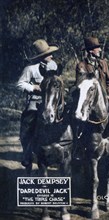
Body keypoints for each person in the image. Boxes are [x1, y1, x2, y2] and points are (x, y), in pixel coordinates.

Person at [17, 39, 59, 167]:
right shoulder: (30, 69)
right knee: (28, 126)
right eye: (48, 54)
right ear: (42, 56)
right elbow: (19, 84)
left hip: (51, 102)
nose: (51, 56)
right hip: (35, 103)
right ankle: (27, 154)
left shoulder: (54, 65)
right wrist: (33, 87)